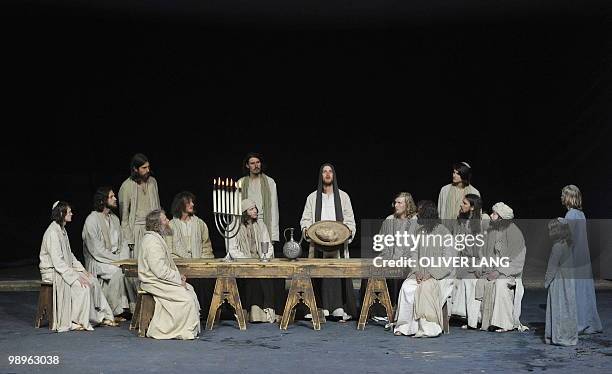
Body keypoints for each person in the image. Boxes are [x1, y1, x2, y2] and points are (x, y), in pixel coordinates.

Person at [39, 201, 117, 332]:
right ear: (61, 214)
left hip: (64, 268)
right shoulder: (53, 232)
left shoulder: (62, 230)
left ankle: (102, 316)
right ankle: (77, 320)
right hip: (53, 271)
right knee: (83, 286)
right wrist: (75, 276)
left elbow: (70, 256)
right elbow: (58, 262)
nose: (72, 214)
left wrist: (82, 271)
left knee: (92, 281)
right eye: (69, 212)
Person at [300, 163, 357, 321]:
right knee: (320, 273)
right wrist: (306, 230)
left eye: (330, 171)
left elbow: (350, 220)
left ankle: (339, 307)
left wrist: (349, 232)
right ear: (321, 175)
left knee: (337, 272)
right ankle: (321, 307)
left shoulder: (343, 197)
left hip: (338, 243)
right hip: (318, 243)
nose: (327, 174)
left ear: (334, 175)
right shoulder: (312, 197)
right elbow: (305, 219)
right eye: (324, 171)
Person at [394, 202, 454, 337]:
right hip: (420, 274)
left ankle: (428, 329)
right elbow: (413, 254)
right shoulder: (419, 232)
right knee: (407, 287)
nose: (417, 215)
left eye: (420, 212)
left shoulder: (444, 232)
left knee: (425, 289)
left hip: (439, 276)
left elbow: (448, 260)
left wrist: (432, 273)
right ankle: (405, 327)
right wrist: (416, 271)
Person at [138, 209, 200, 339]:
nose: (168, 221)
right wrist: (177, 279)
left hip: (159, 279)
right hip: (153, 281)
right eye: (165, 219)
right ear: (157, 225)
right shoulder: (152, 242)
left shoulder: (157, 239)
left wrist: (179, 278)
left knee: (190, 290)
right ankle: (175, 330)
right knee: (186, 298)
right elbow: (159, 270)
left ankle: (189, 328)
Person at [82, 187, 134, 317]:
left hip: (115, 259)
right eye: (111, 197)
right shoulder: (92, 220)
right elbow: (96, 250)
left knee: (128, 270)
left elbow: (123, 242)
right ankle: (115, 309)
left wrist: (123, 259)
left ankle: (129, 307)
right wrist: (117, 261)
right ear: (102, 200)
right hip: (98, 261)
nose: (115, 199)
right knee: (118, 272)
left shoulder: (115, 219)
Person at [477, 202, 527, 332]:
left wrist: (499, 271)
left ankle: (505, 323)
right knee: (481, 281)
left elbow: (517, 261)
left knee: (500, 284)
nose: (491, 216)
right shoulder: (494, 231)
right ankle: (483, 321)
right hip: (494, 270)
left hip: (510, 274)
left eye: (494, 214)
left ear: (501, 218)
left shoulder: (514, 233)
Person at [227, 199, 279, 323]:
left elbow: (268, 245)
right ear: (244, 212)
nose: (255, 210)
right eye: (251, 209)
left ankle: (267, 313)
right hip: (242, 264)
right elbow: (232, 250)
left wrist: (264, 258)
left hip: (260, 262)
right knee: (252, 278)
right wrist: (248, 262)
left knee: (272, 277)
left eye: (255, 208)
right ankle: (252, 314)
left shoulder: (261, 226)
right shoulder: (233, 227)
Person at [165, 191, 215, 318]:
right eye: (188, 202)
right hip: (179, 266)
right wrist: (182, 264)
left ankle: (203, 314)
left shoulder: (199, 223)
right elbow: (168, 250)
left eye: (192, 201)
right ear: (180, 205)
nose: (192, 204)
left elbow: (206, 246)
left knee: (205, 281)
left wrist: (201, 263)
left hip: (199, 265)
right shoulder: (171, 225)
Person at [561, 185, 602, 334]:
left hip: (574, 258)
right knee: (583, 291)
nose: (561, 197)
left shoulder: (571, 215)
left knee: (575, 291)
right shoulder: (580, 214)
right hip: (582, 257)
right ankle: (588, 322)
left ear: (569, 197)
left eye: (563, 194)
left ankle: (578, 323)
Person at [450, 193, 489, 329]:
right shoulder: (461, 219)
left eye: (465, 203)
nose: (461, 205)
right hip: (464, 261)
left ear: (473, 207)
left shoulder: (483, 220)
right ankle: (458, 315)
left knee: (470, 281)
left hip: (479, 261)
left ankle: (474, 320)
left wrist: (480, 265)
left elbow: (486, 246)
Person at [119, 153, 160, 259]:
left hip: (153, 229)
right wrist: (129, 239)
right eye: (144, 168)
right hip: (137, 231)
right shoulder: (127, 186)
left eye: (148, 167)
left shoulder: (153, 182)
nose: (147, 170)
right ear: (135, 169)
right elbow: (124, 217)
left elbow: (158, 207)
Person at [544, 218, 578, 346]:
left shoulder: (557, 247)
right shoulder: (568, 244)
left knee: (558, 307)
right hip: (569, 280)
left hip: (559, 281)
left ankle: (557, 335)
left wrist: (546, 281)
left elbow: (551, 267)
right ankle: (569, 335)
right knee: (568, 307)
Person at [238, 152, 280, 245]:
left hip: (264, 223)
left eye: (258, 162)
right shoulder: (241, 183)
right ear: (247, 165)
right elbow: (238, 208)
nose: (256, 165)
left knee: (265, 254)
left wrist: (273, 235)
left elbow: (274, 209)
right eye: (252, 163)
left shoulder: (269, 182)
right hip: (246, 224)